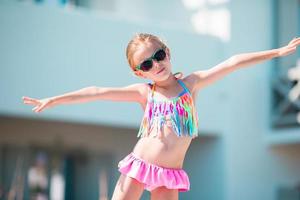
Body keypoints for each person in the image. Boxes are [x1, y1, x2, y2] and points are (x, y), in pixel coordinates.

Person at [22, 34, 300, 200]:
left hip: (170, 172)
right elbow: (96, 91)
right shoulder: (145, 93)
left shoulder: (190, 84)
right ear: (139, 72)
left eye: (159, 55)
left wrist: (277, 52)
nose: (157, 64)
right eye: (147, 63)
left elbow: (232, 62)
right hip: (140, 165)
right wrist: (53, 100)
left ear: (168, 52)